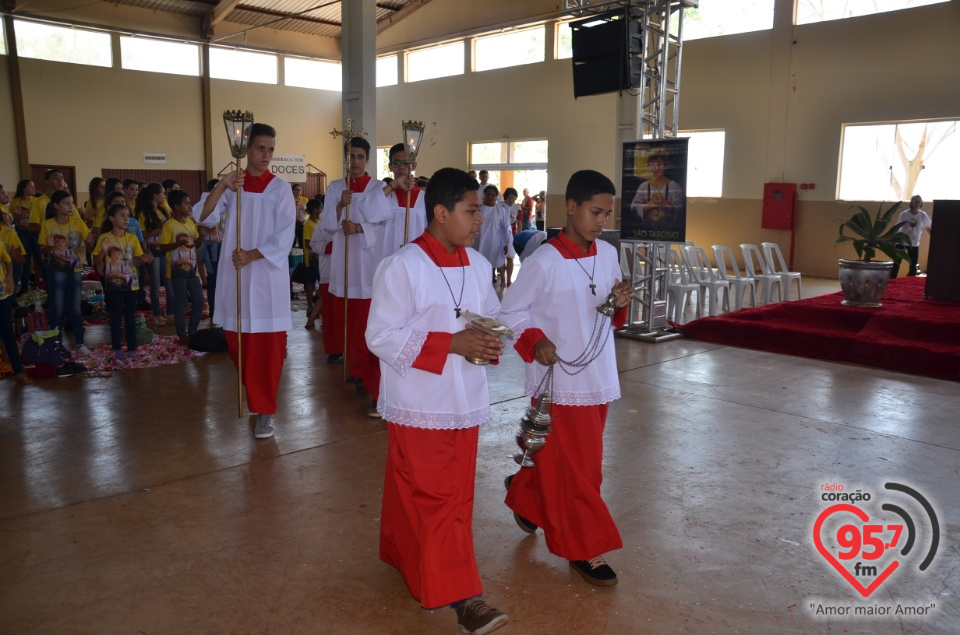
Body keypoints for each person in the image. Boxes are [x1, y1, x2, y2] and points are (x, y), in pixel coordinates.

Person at [366, 167, 509, 635]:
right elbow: (380, 335)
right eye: (471, 212)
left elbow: (487, 317)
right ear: (442, 213)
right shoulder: (403, 266)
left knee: (446, 493)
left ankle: (400, 551)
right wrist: (453, 343)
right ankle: (463, 596)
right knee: (438, 498)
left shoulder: (478, 265)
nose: (479, 221)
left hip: (464, 397)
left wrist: (489, 342)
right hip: (419, 401)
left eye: (481, 213)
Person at [499, 169, 634, 588]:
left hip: (598, 372)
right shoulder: (544, 261)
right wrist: (536, 339)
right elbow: (510, 313)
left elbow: (606, 310)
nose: (601, 222)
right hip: (559, 380)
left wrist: (617, 301)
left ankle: (527, 496)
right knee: (582, 470)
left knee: (567, 460)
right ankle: (583, 548)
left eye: (607, 215)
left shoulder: (607, 255)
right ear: (570, 207)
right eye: (595, 212)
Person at [198, 122, 295, 440]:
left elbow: (284, 236)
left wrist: (252, 254)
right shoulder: (233, 186)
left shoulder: (280, 189)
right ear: (247, 149)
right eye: (260, 148)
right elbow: (204, 217)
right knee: (240, 343)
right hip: (236, 279)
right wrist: (223, 185)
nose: (266, 155)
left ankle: (265, 410)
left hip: (266, 276)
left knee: (268, 349)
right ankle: (256, 400)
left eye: (270, 149)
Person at [320, 136, 391, 417]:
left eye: (361, 156)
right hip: (345, 265)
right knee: (349, 322)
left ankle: (369, 375)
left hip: (369, 264)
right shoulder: (337, 187)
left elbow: (384, 224)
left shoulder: (379, 188)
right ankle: (357, 368)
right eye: (351, 157)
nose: (356, 162)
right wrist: (339, 207)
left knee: (368, 322)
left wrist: (359, 228)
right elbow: (326, 226)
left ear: (368, 159)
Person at [93, 203, 153, 362]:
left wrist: (144, 260)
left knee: (130, 317)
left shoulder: (132, 238)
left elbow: (138, 260)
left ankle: (132, 349)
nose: (126, 219)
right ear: (111, 218)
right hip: (113, 285)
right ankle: (118, 349)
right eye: (122, 215)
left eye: (128, 215)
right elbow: (97, 260)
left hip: (131, 283)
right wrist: (104, 251)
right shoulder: (104, 237)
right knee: (115, 317)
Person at [39, 190, 95, 356]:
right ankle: (56, 344)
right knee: (57, 308)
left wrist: (92, 240)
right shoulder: (47, 224)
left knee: (75, 308)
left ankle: (79, 343)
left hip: (75, 270)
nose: (71, 207)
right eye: (66, 203)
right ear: (56, 206)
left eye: (71, 203)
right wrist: (49, 246)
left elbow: (90, 243)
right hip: (57, 271)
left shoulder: (78, 222)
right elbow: (43, 250)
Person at [160, 190, 203, 346]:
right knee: (181, 303)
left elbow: (196, 243)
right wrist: (178, 243)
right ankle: (181, 334)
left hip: (192, 270)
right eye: (186, 203)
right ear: (177, 207)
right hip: (177, 271)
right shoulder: (169, 225)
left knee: (198, 301)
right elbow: (163, 247)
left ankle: (192, 331)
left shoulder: (191, 223)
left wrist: (202, 235)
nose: (189, 205)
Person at [379, 142, 427, 264]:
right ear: (390, 166)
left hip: (416, 260)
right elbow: (367, 212)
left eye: (406, 163)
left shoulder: (425, 199)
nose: (402, 167)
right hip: (387, 259)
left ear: (414, 165)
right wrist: (393, 185)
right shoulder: (383, 196)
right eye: (397, 163)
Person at [138, 183, 172, 326]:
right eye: (162, 193)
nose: (164, 196)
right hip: (153, 250)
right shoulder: (143, 213)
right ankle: (157, 314)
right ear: (155, 195)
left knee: (169, 282)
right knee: (155, 284)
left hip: (165, 249)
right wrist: (159, 229)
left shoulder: (162, 210)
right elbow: (142, 234)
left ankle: (171, 313)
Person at [0, 241, 31, 384]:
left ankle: (18, 371)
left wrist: (10, 278)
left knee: (7, 333)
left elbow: (7, 260)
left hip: (1, 294)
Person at [195, 179, 224, 323]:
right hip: (212, 245)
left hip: (223, 245)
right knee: (213, 279)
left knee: (224, 279)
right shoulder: (205, 205)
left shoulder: (225, 204)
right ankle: (214, 309)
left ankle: (222, 308)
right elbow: (201, 228)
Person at [629, 151, 684, 228]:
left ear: (665, 166)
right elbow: (633, 207)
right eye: (652, 164)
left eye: (659, 164)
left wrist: (665, 202)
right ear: (648, 166)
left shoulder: (675, 187)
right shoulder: (643, 187)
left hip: (669, 232)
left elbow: (680, 212)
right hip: (646, 231)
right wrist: (648, 205)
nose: (656, 168)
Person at [474, 185, 511, 284]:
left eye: (493, 195)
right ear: (484, 195)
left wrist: (506, 242)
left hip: (495, 241)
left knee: (495, 260)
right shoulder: (478, 208)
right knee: (478, 262)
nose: (490, 197)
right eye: (488, 194)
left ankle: (500, 280)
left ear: (496, 196)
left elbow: (506, 227)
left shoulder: (500, 210)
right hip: (478, 240)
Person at [893, 195, 933, 278]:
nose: (917, 203)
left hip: (914, 243)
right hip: (902, 241)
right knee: (897, 262)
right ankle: (892, 280)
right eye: (915, 201)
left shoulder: (923, 215)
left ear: (921, 203)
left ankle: (911, 282)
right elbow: (897, 227)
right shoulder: (904, 214)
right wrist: (894, 240)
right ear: (911, 202)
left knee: (913, 264)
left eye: (919, 201)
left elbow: (927, 227)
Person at [301, 198, 322, 320]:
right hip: (311, 259)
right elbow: (308, 242)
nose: (321, 210)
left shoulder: (318, 222)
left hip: (319, 258)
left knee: (320, 284)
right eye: (320, 207)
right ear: (315, 210)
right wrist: (320, 246)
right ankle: (310, 307)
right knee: (310, 284)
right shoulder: (308, 224)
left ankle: (317, 308)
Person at [499, 188, 520, 287]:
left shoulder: (517, 207)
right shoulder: (500, 206)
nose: (511, 200)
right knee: (502, 257)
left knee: (510, 257)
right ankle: (502, 279)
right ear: (506, 197)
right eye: (510, 198)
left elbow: (519, 222)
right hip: (501, 234)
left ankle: (509, 280)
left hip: (512, 234)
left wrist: (519, 235)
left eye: (513, 198)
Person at [292, 183, 308, 248]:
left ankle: (303, 256)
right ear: (292, 191)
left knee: (302, 241)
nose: (298, 192)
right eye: (296, 190)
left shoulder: (305, 199)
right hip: (293, 223)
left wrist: (303, 208)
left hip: (302, 223)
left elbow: (308, 211)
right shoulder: (289, 199)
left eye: (299, 190)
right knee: (292, 240)